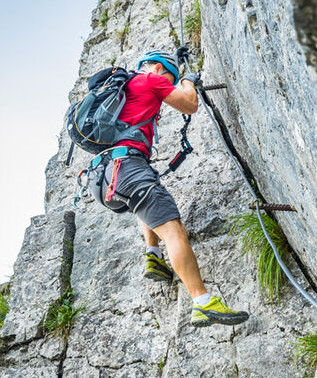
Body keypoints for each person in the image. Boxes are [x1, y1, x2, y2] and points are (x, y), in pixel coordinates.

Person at [89, 49, 249, 328]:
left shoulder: (125, 90)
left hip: (104, 178)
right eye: (168, 75)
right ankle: (203, 302)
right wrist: (186, 80)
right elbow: (189, 104)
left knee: (147, 201)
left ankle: (153, 256)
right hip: (129, 169)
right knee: (175, 233)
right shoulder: (150, 79)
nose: (168, 80)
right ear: (157, 68)